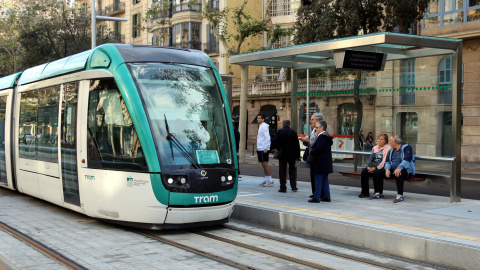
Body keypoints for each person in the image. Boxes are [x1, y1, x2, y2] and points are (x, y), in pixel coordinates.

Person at [299, 112, 326, 199]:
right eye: (310, 119)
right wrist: (305, 141)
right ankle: (315, 192)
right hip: (312, 155)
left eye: (312, 119)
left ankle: (319, 194)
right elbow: (311, 143)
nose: (310, 121)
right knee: (313, 175)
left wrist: (308, 142)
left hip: (318, 156)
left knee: (318, 176)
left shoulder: (320, 131)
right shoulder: (313, 130)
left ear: (318, 120)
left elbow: (317, 144)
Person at [358, 133, 391, 198]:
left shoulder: (388, 148)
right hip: (372, 166)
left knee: (377, 173)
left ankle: (378, 192)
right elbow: (370, 159)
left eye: (382, 139)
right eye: (378, 139)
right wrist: (368, 167)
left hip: (382, 167)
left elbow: (384, 161)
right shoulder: (375, 148)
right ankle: (365, 192)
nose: (379, 140)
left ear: (385, 141)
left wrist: (375, 168)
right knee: (364, 173)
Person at [384, 135, 416, 203]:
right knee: (378, 172)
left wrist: (399, 168)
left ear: (395, 142)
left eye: (390, 141)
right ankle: (378, 193)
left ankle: (400, 195)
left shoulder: (407, 147)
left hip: (406, 169)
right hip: (393, 169)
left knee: (398, 173)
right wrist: (387, 169)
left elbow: (407, 160)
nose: (389, 143)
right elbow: (387, 161)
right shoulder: (391, 150)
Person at [272, 119, 300, 193]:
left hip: (282, 154)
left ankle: (283, 187)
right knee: (292, 171)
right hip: (292, 154)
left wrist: (278, 148)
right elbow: (297, 145)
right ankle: (293, 186)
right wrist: (298, 156)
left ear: (283, 124)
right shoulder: (293, 132)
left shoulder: (279, 132)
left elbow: (274, 142)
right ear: (289, 124)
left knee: (282, 171)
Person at [308, 120, 333, 203]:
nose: (315, 129)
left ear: (322, 128)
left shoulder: (322, 137)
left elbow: (318, 149)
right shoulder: (326, 137)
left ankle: (316, 197)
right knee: (325, 179)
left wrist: (312, 151)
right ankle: (326, 196)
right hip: (325, 162)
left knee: (318, 179)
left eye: (317, 127)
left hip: (320, 162)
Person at [256, 113, 273, 187]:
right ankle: (266, 179)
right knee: (263, 164)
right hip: (260, 148)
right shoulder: (260, 126)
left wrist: (266, 147)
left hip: (263, 148)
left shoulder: (264, 127)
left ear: (263, 119)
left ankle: (270, 180)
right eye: (257, 118)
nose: (258, 119)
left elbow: (267, 137)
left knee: (265, 164)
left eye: (259, 118)